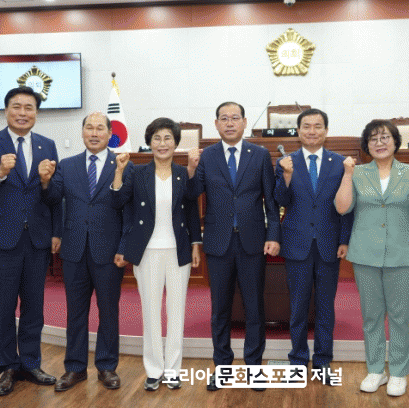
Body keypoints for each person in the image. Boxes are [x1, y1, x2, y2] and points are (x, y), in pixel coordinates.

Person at [0, 86, 60, 396]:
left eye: (29, 107)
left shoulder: (48, 145)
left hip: (36, 239)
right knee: (5, 307)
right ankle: (8, 367)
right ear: (7, 110)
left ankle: (31, 363)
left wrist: (47, 183)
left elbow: (55, 196)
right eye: (17, 106)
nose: (23, 113)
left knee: (34, 306)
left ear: (36, 113)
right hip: (1, 240)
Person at [186, 102, 280, 391]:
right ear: (216, 124)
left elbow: (271, 200)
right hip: (218, 243)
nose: (229, 123)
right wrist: (191, 168)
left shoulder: (260, 155)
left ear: (244, 122)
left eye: (235, 118)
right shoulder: (207, 156)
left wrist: (273, 235)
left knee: (254, 308)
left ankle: (254, 368)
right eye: (224, 118)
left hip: (253, 241)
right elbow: (192, 194)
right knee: (220, 310)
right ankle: (222, 368)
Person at [38, 112, 132, 392]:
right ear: (82, 133)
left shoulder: (123, 165)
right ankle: (75, 368)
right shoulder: (67, 165)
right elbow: (53, 199)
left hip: (109, 252)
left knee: (108, 312)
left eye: (100, 128)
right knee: (75, 313)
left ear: (110, 134)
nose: (94, 133)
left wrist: (124, 247)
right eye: (89, 127)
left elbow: (128, 209)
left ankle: (107, 366)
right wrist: (45, 181)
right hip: (74, 249)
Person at [335, 119, 409, 397]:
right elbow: (342, 208)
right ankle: (376, 370)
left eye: (385, 137)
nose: (379, 143)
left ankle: (399, 372)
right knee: (371, 316)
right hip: (365, 254)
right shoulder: (357, 172)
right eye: (373, 138)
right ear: (366, 145)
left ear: (395, 141)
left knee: (401, 317)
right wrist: (347, 175)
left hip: (403, 253)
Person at [112, 118, 202, 392]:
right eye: (157, 138)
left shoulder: (183, 173)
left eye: (167, 138)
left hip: (178, 250)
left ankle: (173, 370)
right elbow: (118, 202)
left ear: (176, 143)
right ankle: (153, 370)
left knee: (177, 311)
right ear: (149, 143)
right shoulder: (137, 172)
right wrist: (119, 172)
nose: (162, 144)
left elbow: (191, 209)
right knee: (150, 312)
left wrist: (195, 244)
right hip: (147, 251)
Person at [273, 108, 352, 384]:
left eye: (318, 126)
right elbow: (280, 200)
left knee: (325, 307)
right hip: (297, 244)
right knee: (297, 307)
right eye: (306, 126)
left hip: (329, 244)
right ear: (298, 131)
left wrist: (344, 240)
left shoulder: (340, 163)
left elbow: (347, 206)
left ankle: (322, 361)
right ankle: (297, 359)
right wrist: (285, 177)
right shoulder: (286, 162)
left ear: (326, 131)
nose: (312, 131)